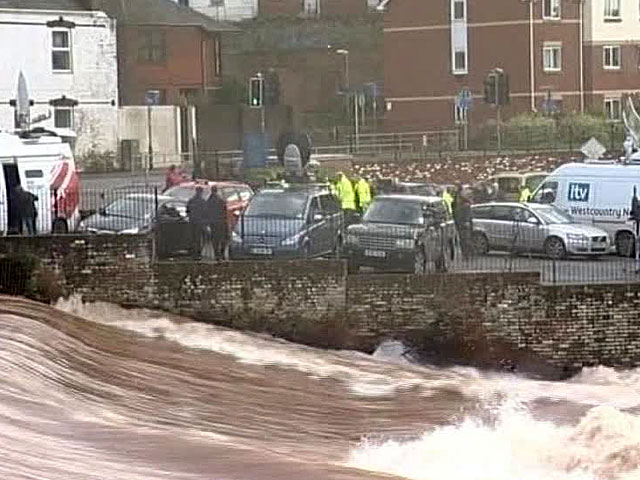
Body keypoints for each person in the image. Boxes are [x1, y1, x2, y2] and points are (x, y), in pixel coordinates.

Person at [205, 186, 229, 261]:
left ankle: (217, 255)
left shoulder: (208, 201)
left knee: (215, 239)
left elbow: (207, 212)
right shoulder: (221, 200)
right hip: (221, 222)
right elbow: (224, 212)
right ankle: (222, 254)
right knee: (224, 239)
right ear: (217, 191)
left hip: (213, 223)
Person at [186, 187, 207, 260]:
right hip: (200, 222)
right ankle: (198, 253)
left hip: (192, 221)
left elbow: (187, 211)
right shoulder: (202, 201)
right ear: (201, 192)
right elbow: (205, 212)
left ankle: (193, 253)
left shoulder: (191, 200)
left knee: (193, 237)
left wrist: (190, 217)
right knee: (199, 238)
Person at [453, 188, 473, 259]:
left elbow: (467, 216)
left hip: (464, 226)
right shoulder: (460, 207)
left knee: (465, 241)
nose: (458, 200)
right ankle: (465, 254)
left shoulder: (465, 207)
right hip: (461, 225)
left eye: (459, 199)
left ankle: (467, 255)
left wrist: (466, 222)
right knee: (463, 241)